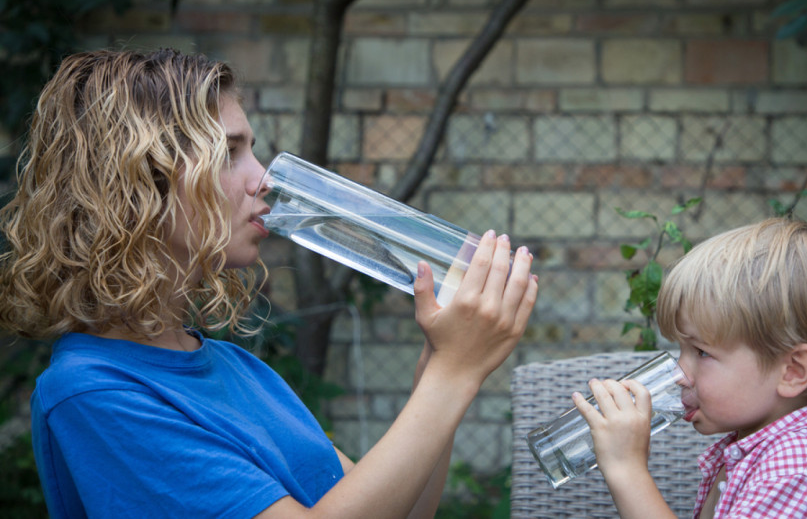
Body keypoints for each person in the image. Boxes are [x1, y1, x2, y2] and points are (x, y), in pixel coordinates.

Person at [0, 48, 539, 518]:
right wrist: (453, 373)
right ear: (139, 183)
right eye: (229, 152)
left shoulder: (239, 370)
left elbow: (399, 510)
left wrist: (439, 366)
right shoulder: (94, 392)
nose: (263, 180)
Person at [572, 218, 807, 518]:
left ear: (792, 371)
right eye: (682, 349)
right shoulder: (757, 449)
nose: (679, 374)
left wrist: (628, 470)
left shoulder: (795, 475)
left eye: (702, 352)